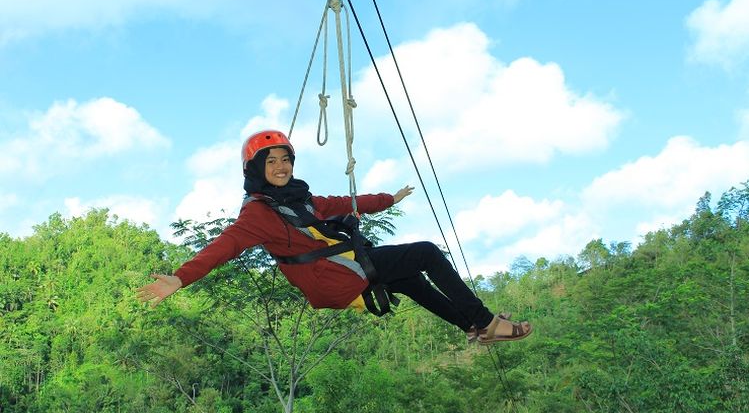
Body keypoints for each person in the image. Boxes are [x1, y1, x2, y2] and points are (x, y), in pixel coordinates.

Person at [137, 130, 532, 344]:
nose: (280, 166)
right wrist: (181, 277)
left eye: (285, 158)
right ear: (255, 169)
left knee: (409, 280)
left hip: (341, 270)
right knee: (426, 253)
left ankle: (470, 326)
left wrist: (387, 199)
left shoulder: (300, 200)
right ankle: (485, 320)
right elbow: (223, 247)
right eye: (270, 161)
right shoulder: (259, 213)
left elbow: (343, 200)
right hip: (333, 278)